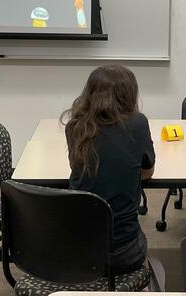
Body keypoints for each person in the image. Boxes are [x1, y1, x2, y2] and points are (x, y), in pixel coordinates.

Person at [61, 64, 155, 275]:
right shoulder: (138, 123)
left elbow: (78, 169)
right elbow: (148, 171)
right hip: (123, 254)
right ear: (129, 94)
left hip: (76, 251)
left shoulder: (75, 127)